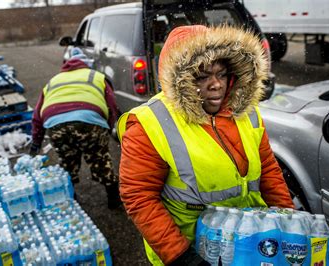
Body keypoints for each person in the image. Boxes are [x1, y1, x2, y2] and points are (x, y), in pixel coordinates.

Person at [117, 25, 295, 265]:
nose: (216, 85)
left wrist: (288, 221)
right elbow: (139, 196)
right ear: (179, 79)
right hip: (193, 250)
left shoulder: (245, 113)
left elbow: (268, 169)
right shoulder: (150, 123)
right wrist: (181, 256)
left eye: (221, 74)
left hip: (250, 245)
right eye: (202, 76)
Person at [30, 48, 121, 209]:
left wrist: (36, 142)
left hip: (55, 123)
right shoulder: (97, 76)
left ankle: (70, 197)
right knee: (100, 159)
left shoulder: (53, 81)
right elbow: (112, 105)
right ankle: (113, 198)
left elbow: (37, 116)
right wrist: (107, 127)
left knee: (67, 161)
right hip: (89, 121)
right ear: (86, 64)